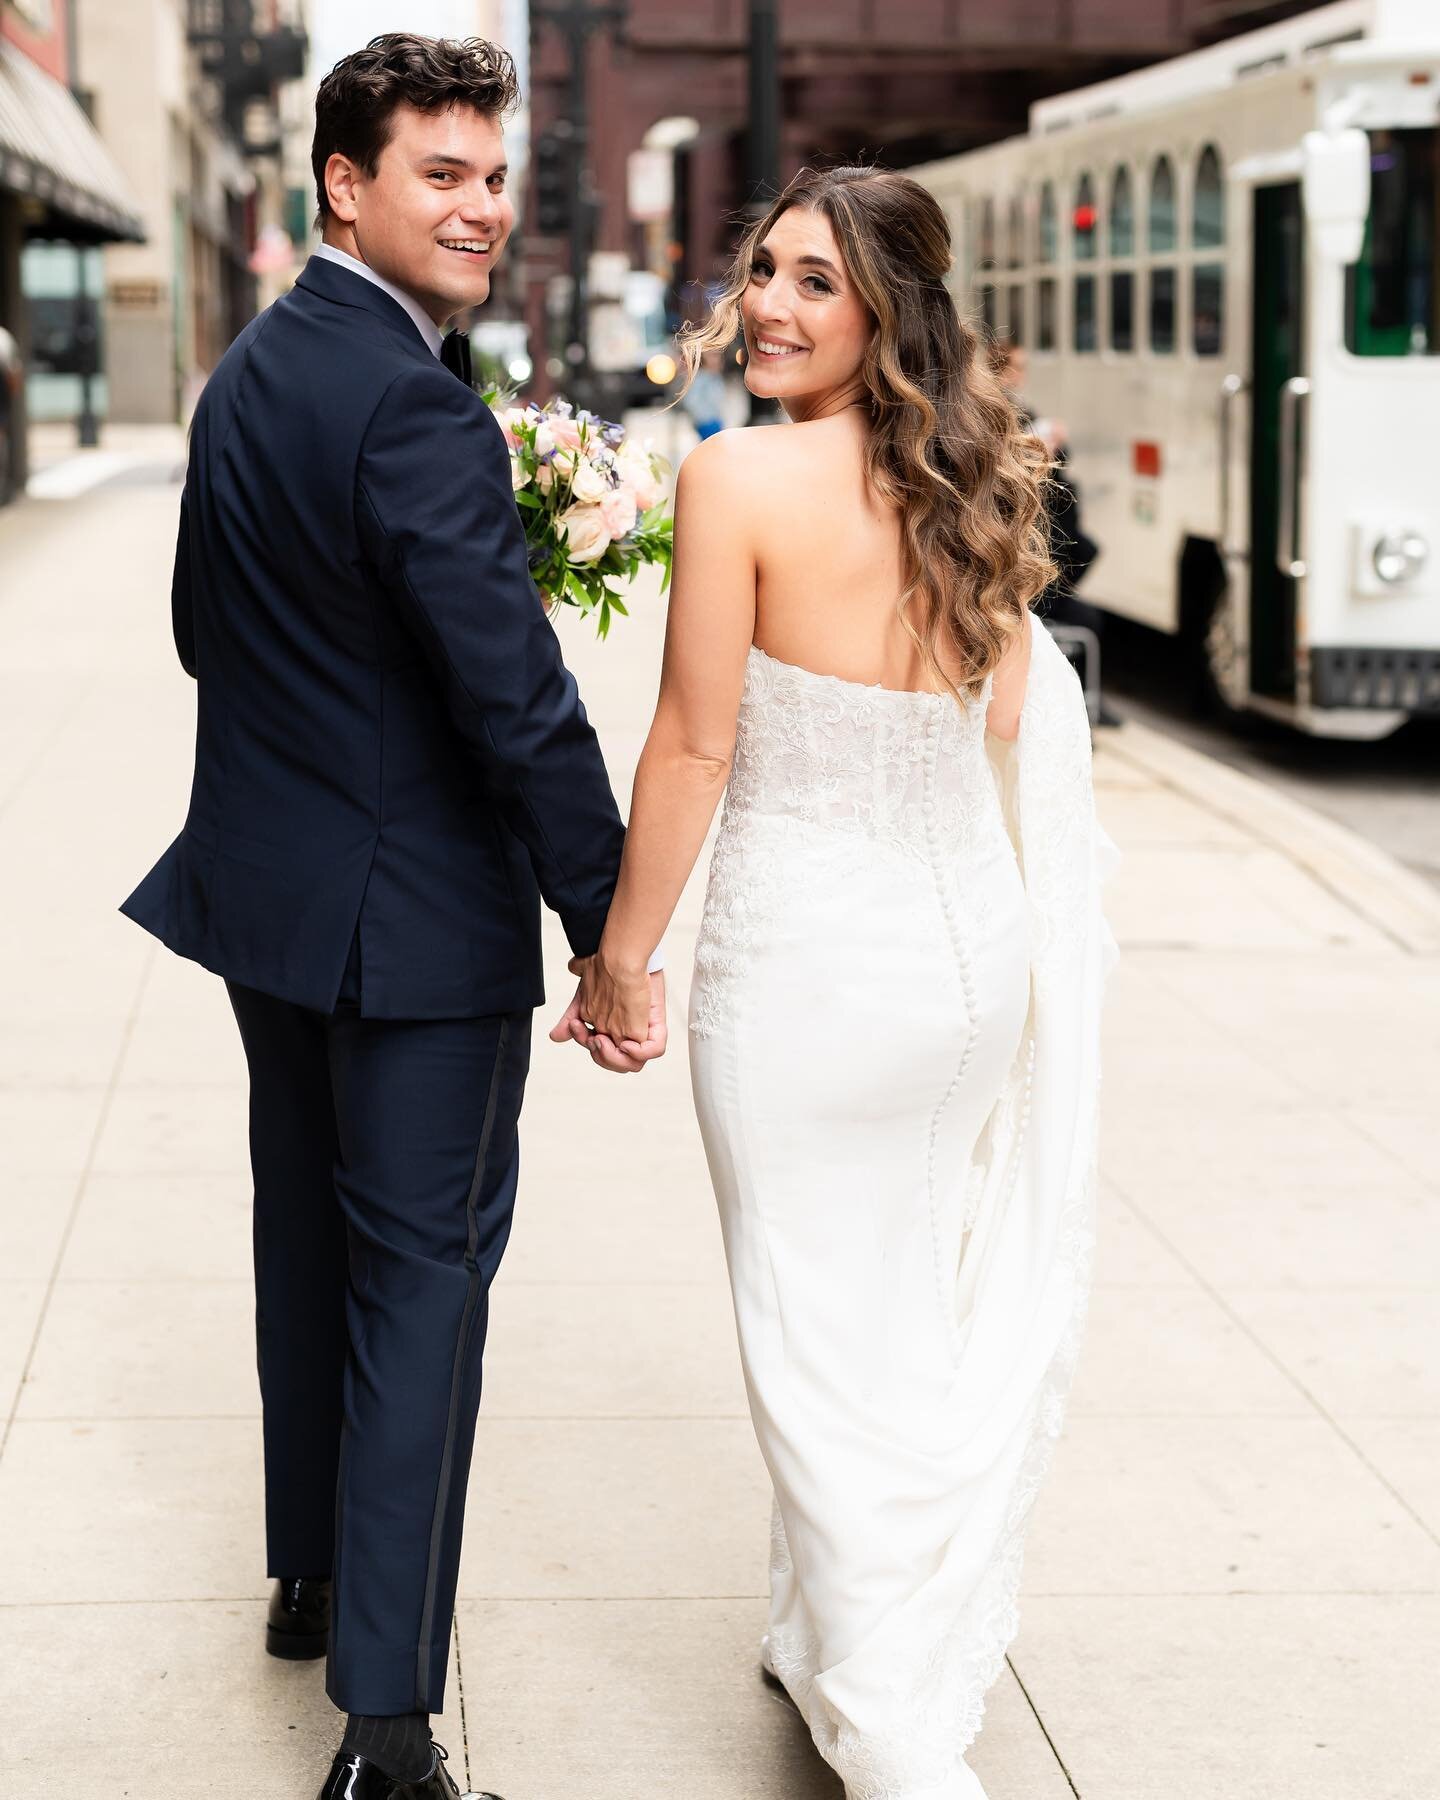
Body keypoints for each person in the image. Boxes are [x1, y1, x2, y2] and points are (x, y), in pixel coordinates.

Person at [120, 35, 664, 1800]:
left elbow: (208, 628)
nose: (486, 206)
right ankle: (387, 1736)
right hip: (406, 922)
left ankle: (312, 1575)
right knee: (421, 1285)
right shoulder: (415, 402)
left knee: (307, 1240)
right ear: (345, 184)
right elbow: (513, 698)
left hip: (272, 901)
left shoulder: (256, 367)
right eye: (444, 172)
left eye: (494, 174)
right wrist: (612, 924)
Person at [552, 166, 1116, 1798]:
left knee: (810, 1326)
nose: (774, 306)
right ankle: (827, 1628)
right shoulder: (972, 482)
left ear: (885, 311)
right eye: (765, 271)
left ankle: (889, 1705)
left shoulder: (735, 480)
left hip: (806, 970)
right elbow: (1008, 728)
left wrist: (620, 956)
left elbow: (695, 744)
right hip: (963, 968)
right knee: (901, 1301)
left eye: (817, 279)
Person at [989, 335, 1114, 723]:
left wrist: (1055, 444)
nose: (1019, 376)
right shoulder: (994, 412)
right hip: (1019, 544)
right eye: (1014, 367)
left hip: (1041, 536)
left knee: (1082, 553)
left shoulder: (1023, 411)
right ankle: (1082, 701)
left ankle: (1085, 699)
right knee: (1083, 607)